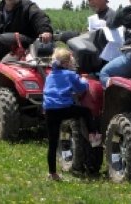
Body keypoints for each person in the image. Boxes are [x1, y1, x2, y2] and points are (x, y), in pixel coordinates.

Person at [43, 48, 102, 181]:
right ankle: (93, 135)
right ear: (65, 63)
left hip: (49, 110)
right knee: (85, 112)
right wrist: (85, 80)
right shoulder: (70, 74)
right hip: (64, 108)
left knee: (52, 143)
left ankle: (52, 173)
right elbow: (81, 88)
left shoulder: (49, 75)